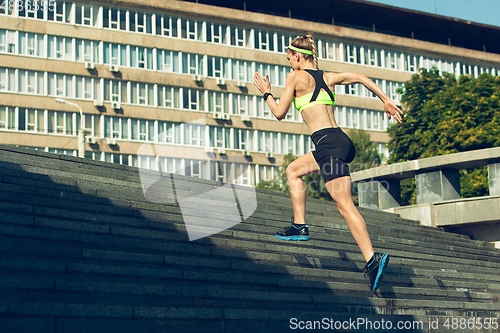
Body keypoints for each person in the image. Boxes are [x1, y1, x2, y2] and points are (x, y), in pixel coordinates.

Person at [253, 34, 404, 292]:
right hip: (339, 142)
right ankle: (299, 226)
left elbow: (279, 113)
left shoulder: (295, 78)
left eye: (289, 59)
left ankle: (372, 259)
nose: (289, 64)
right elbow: (361, 77)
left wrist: (266, 93)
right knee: (293, 170)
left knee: (345, 206)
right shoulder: (329, 77)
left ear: (298, 56)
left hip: (328, 145)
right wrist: (385, 99)